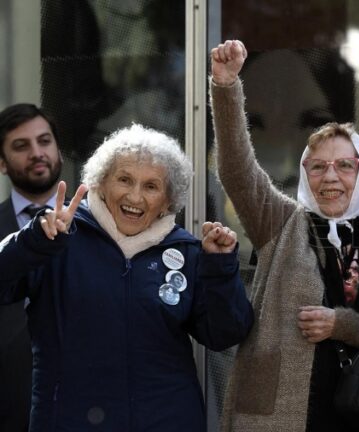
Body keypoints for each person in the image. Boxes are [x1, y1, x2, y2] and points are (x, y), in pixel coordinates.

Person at [209, 40, 359, 431]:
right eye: (318, 166)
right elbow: (238, 172)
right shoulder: (282, 223)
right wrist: (225, 88)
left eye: (344, 165)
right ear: (305, 173)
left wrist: (341, 325)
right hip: (282, 416)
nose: (331, 177)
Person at [0, 124, 255, 431]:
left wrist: (220, 267)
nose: (135, 196)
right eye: (124, 179)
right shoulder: (57, 234)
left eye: (151, 186)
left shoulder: (186, 251)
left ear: (168, 200)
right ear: (101, 183)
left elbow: (225, 334)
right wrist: (33, 242)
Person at [0, 103, 62, 432]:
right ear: (2, 163)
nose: (37, 153)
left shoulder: (101, 222)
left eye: (45, 141)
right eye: (21, 146)